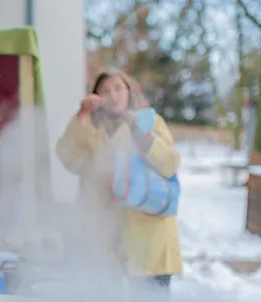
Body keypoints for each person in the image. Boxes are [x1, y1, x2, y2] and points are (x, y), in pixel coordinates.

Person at [56, 68, 182, 288]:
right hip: (105, 240)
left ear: (129, 90)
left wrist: (142, 132)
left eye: (118, 88)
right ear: (96, 97)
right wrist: (82, 115)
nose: (113, 95)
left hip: (148, 238)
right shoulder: (92, 129)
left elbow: (169, 165)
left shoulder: (151, 122)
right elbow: (68, 158)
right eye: (105, 90)